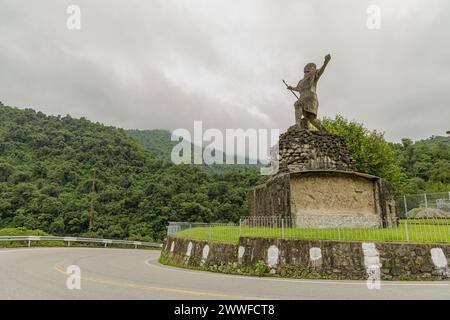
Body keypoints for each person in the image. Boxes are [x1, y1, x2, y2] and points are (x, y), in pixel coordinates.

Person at [286, 54, 331, 131]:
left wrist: (325, 62)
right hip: (304, 97)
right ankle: (323, 130)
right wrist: (292, 88)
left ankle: (297, 124)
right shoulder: (301, 81)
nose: (310, 68)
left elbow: (321, 70)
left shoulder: (314, 74)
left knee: (298, 104)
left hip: (310, 97)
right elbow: (298, 88)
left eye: (311, 67)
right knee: (311, 119)